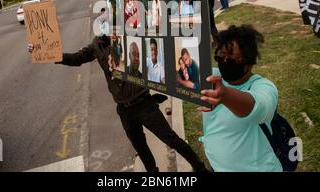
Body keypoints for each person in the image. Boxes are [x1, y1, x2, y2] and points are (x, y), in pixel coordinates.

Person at [27, 36, 207, 172]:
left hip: (145, 104)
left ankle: (200, 169)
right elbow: (77, 58)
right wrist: (47, 53)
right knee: (140, 147)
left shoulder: (127, 35)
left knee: (172, 140)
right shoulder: (96, 44)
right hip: (124, 110)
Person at [199, 25, 282, 172]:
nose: (225, 61)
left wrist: (225, 95)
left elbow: (260, 108)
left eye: (232, 58)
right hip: (216, 166)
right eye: (221, 56)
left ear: (248, 63)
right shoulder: (212, 76)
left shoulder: (264, 87)